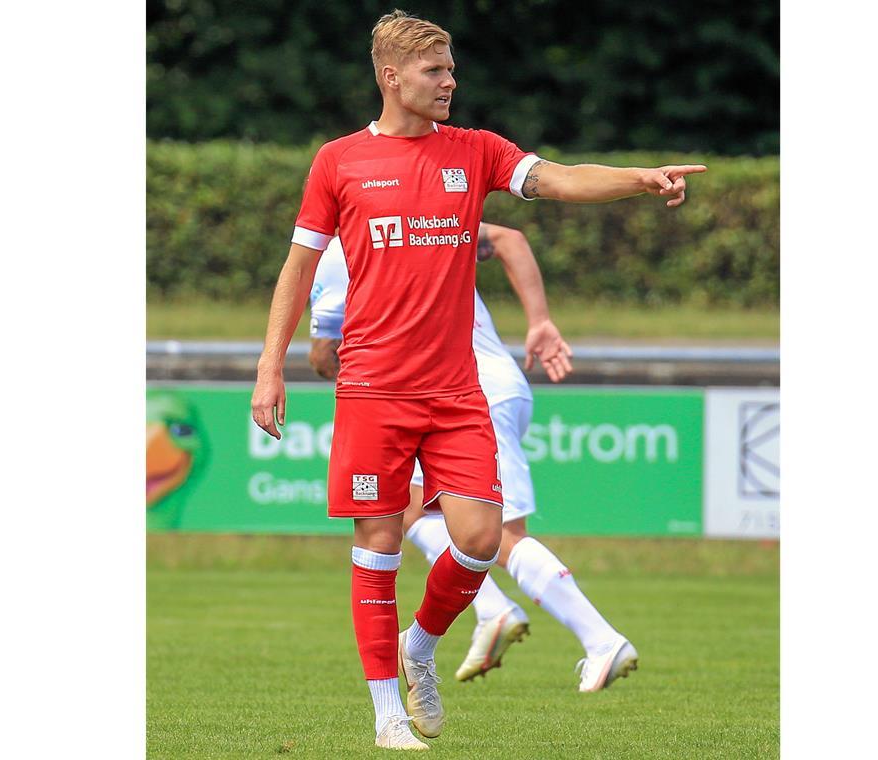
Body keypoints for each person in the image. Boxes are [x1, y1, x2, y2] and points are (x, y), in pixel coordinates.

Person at [251, 9, 705, 750]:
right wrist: (270, 369)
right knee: (379, 541)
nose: (450, 81)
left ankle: (420, 648)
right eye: (436, 71)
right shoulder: (338, 162)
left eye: (452, 69)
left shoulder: (476, 151)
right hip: (373, 390)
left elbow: (557, 178)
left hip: (458, 392)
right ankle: (386, 716)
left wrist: (638, 180)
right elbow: (297, 270)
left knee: (480, 537)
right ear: (392, 78)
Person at [309, 223, 638, 697]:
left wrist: (367, 391)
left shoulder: (342, 249)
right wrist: (539, 320)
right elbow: (511, 238)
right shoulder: (426, 220)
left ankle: (601, 640)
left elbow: (324, 355)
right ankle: (490, 609)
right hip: (485, 387)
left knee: (499, 535)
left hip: (466, 395)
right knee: (408, 506)